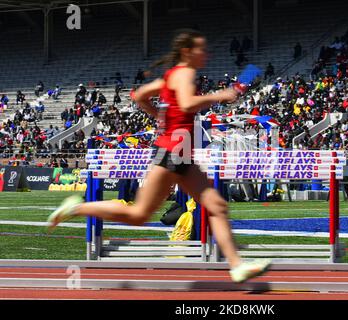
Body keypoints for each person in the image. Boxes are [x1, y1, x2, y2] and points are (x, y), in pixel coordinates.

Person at [47, 29, 271, 283]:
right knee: (139, 215)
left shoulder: (170, 76)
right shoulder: (185, 73)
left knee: (216, 206)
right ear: (187, 51)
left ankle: (237, 266)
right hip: (173, 152)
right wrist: (221, 95)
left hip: (180, 152)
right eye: (201, 49)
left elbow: (139, 95)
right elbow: (186, 105)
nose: (206, 53)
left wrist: (158, 114)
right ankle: (76, 208)